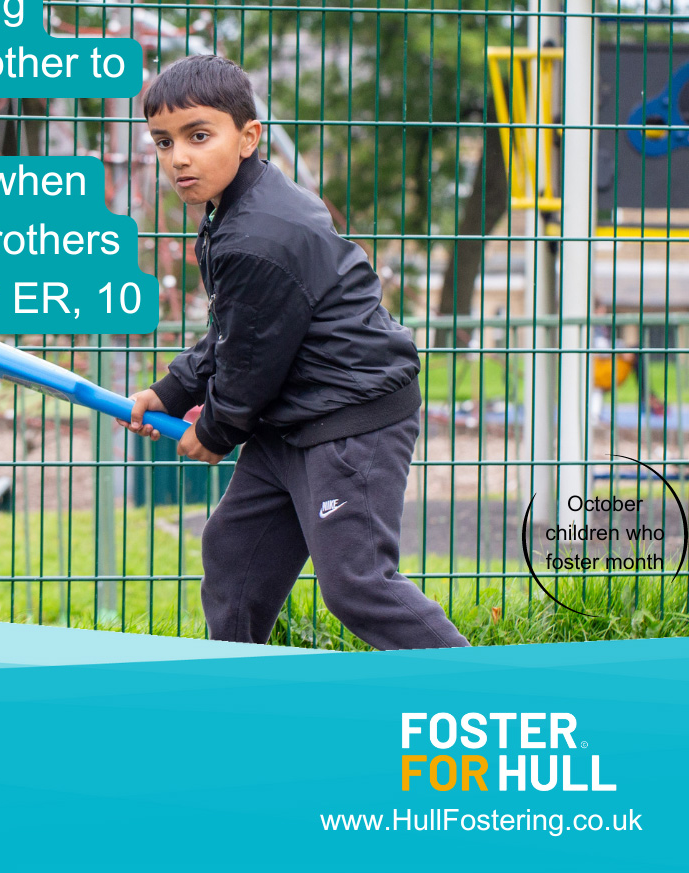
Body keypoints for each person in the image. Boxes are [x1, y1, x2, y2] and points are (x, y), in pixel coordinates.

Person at [120, 54, 468, 650]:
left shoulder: (258, 234)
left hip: (348, 421)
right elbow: (238, 331)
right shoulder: (234, 212)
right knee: (234, 556)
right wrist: (173, 391)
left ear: (248, 137)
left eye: (198, 136)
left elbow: (250, 361)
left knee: (357, 584)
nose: (179, 157)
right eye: (163, 141)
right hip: (292, 417)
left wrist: (219, 429)